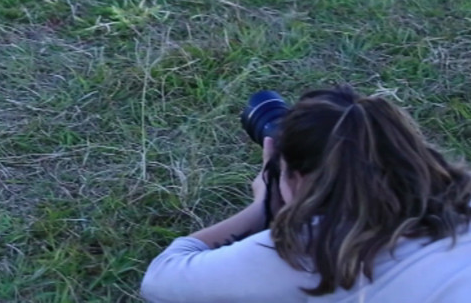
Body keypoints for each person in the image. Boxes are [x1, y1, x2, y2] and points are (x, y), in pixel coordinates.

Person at [141, 85, 471, 302]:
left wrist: (263, 207)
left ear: (297, 178)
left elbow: (160, 278)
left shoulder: (310, 249)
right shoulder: (462, 201)